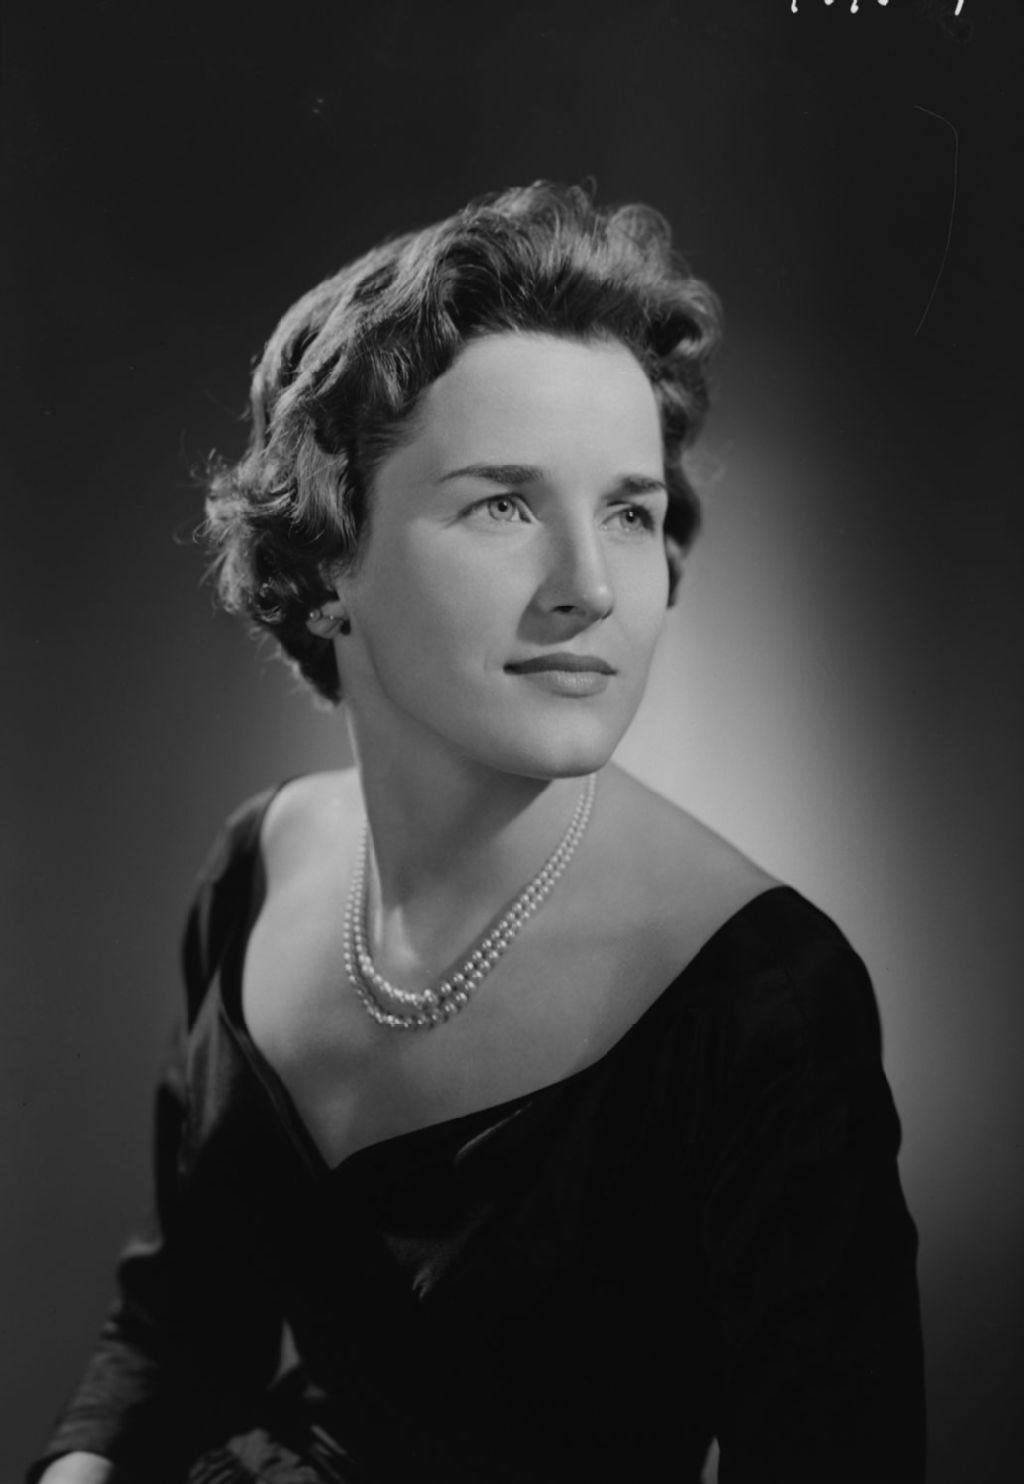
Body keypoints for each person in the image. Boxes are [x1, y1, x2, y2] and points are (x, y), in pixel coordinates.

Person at [28, 181, 925, 1484]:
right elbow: (177, 1335)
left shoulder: (769, 1006)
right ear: (328, 560)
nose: (591, 587)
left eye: (628, 510)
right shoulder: (255, 869)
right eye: (504, 504)